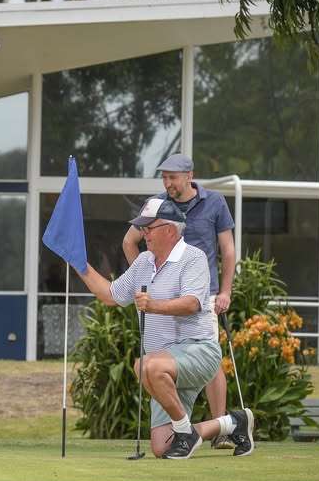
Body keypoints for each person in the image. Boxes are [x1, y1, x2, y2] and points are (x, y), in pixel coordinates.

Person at [75, 197, 254, 459]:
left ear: (170, 230)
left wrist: (153, 305)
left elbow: (192, 303)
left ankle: (186, 432)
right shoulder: (144, 262)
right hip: (164, 365)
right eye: (142, 228)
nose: (143, 233)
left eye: (149, 227)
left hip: (199, 352)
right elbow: (110, 296)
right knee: (162, 447)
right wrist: (79, 264)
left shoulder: (194, 257)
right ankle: (233, 423)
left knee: (144, 365)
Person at [122, 154, 236, 449]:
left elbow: (228, 250)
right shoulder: (158, 205)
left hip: (201, 295)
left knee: (209, 362)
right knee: (163, 360)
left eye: (172, 177)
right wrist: (145, 278)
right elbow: (128, 241)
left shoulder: (214, 202)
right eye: (164, 177)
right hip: (164, 293)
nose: (167, 183)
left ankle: (221, 427)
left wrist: (225, 292)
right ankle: (196, 428)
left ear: (189, 176)